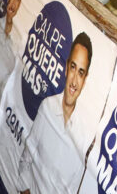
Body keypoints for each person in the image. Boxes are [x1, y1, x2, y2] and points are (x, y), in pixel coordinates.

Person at [20, 32, 92, 194]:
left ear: (85, 79)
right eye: (73, 67)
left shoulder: (83, 135)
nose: (74, 81)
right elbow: (27, 155)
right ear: (66, 68)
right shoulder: (48, 106)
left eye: (81, 73)